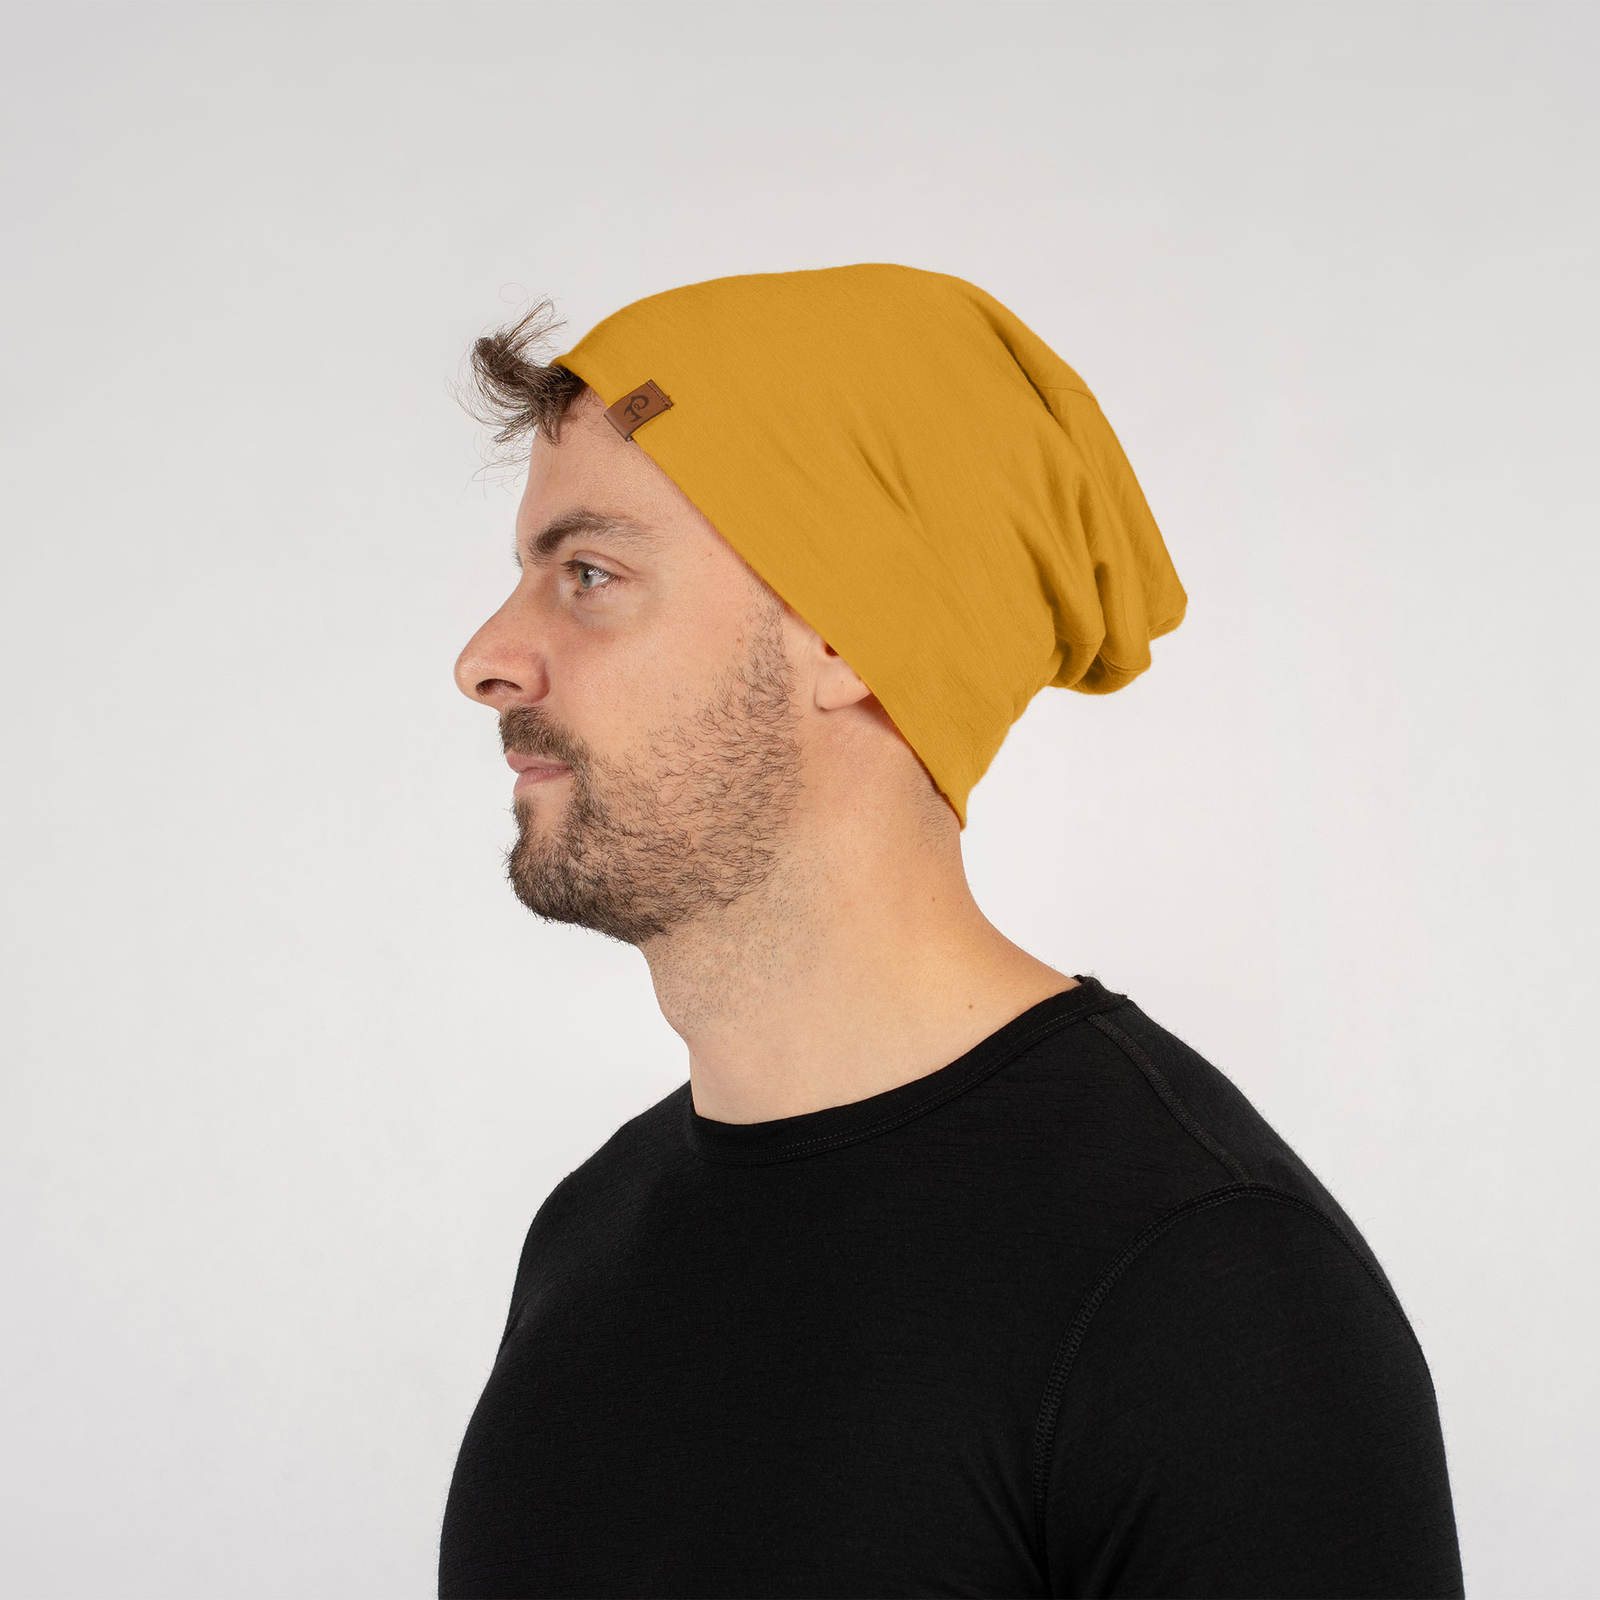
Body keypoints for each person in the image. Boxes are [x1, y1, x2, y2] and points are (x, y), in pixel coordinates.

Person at [437, 265, 1464, 1599]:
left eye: (590, 574)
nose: (486, 658)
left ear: (847, 634)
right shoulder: (592, 1233)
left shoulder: (1207, 1285)